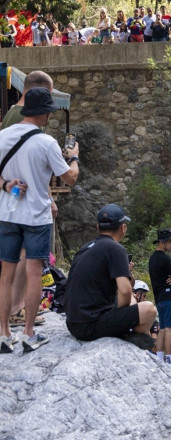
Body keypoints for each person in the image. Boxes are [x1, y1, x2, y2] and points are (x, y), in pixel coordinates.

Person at [0, 87, 80, 353]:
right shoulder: (46, 143)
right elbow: (69, 177)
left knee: (6, 274)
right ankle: (28, 332)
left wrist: (6, 185)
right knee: (34, 273)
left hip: (7, 214)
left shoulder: (2, 136)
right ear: (43, 112)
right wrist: (74, 158)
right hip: (36, 216)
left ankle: (3, 333)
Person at [65, 205, 157, 349]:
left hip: (74, 323)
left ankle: (128, 334)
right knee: (149, 309)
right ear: (123, 228)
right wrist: (120, 314)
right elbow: (125, 291)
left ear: (97, 227)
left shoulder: (86, 248)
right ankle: (134, 342)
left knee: (133, 300)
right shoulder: (115, 248)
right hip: (90, 326)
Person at [149, 229, 171, 367]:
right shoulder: (165, 258)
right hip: (169, 296)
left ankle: (159, 357)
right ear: (162, 242)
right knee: (170, 328)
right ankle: (169, 360)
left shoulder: (152, 259)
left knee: (162, 327)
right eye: (170, 241)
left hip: (159, 297)